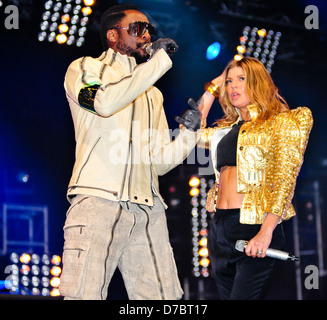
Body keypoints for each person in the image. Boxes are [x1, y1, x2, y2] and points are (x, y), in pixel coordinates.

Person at [59, 4, 202, 300]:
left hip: (148, 208)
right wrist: (157, 64)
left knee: (163, 300)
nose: (146, 35)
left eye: (149, 29)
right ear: (113, 35)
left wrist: (189, 135)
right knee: (84, 294)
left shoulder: (153, 93)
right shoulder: (84, 68)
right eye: (137, 28)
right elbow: (104, 103)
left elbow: (160, 162)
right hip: (98, 199)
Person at [196, 57, 313, 300]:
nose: (233, 86)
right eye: (229, 81)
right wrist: (212, 88)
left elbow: (285, 178)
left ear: (258, 83)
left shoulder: (281, 122)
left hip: (255, 225)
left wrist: (266, 230)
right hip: (221, 229)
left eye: (242, 79)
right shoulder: (225, 131)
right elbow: (191, 134)